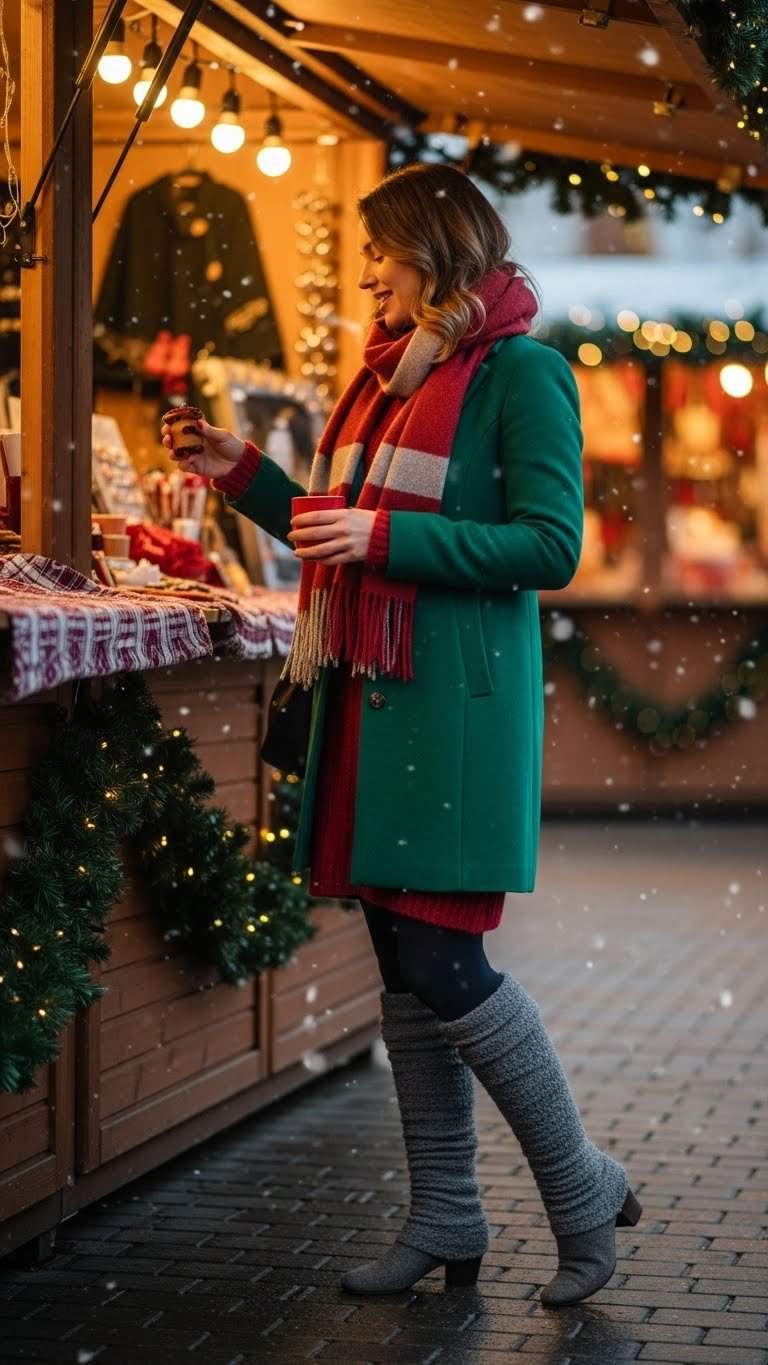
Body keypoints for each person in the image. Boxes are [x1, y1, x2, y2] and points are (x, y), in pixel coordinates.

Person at [161, 161, 640, 1306]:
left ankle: (581, 1189)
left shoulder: (522, 372)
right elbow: (343, 530)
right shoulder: (385, 379)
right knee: (403, 968)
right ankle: (444, 1215)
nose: (366, 271)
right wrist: (248, 480)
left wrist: (381, 543)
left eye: (380, 249)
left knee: (445, 960)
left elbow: (547, 547)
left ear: (435, 248)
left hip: (452, 712)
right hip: (374, 703)